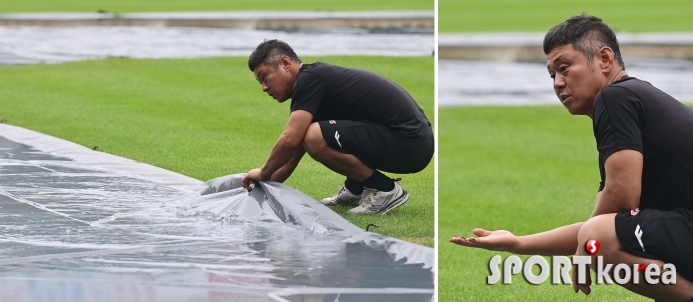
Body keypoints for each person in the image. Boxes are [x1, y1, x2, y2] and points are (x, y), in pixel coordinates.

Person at [451, 14, 693, 301]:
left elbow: (617, 201)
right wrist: (517, 243)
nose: (557, 82)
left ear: (604, 59)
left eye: (564, 68)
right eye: (552, 74)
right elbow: (607, 223)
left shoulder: (616, 98)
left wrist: (587, 244)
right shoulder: (632, 100)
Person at [240, 39, 433, 215]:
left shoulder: (310, 79)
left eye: (264, 78)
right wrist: (266, 183)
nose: (264, 88)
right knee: (313, 135)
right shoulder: (311, 83)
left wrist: (263, 172)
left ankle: (385, 189)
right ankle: (357, 189)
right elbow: (293, 152)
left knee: (314, 136)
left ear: (285, 63)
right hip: (412, 143)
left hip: (410, 142)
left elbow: (290, 139)